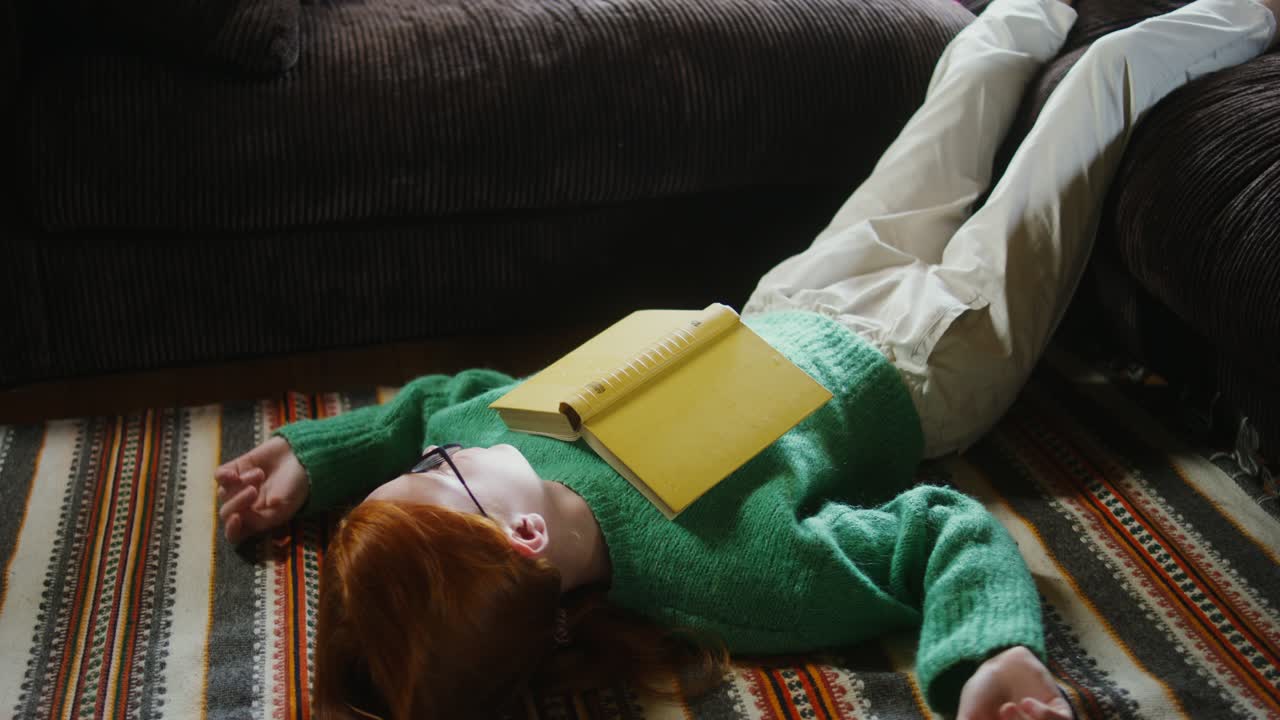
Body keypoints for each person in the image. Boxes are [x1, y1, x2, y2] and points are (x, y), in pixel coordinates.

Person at [215, 0, 1279, 716]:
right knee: (1097, 87)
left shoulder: (487, 445)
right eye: (430, 483)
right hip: (926, 359)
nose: (433, 452)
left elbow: (439, 405)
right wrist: (984, 656)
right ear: (526, 535)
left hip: (797, 295)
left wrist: (322, 454)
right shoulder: (729, 578)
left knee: (982, 53)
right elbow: (937, 533)